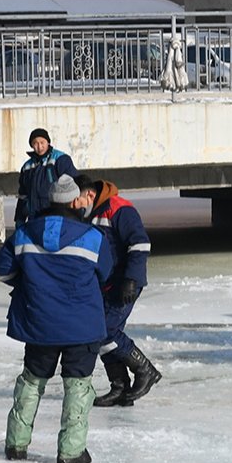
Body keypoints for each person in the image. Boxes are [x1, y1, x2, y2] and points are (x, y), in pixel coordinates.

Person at [0, 174, 112, 463]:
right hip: (81, 326)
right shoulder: (93, 237)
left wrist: (29, 284)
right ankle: (71, 452)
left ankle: (16, 445)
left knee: (32, 382)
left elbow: (0, 268)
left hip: (39, 324)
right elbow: (105, 273)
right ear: (74, 201)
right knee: (78, 385)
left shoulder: (25, 233)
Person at [76, 174, 161, 407]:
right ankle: (120, 386)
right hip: (104, 284)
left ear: (90, 194)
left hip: (124, 283)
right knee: (100, 333)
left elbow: (140, 244)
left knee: (105, 330)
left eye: (78, 199)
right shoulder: (89, 214)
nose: (75, 204)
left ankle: (145, 370)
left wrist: (131, 279)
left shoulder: (120, 209)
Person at [14, 127, 79, 227]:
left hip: (56, 217)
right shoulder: (27, 167)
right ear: (32, 145)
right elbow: (23, 195)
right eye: (35, 143)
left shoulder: (60, 159)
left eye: (42, 142)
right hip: (35, 218)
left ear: (48, 142)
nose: (39, 146)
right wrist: (19, 218)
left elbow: (74, 185)